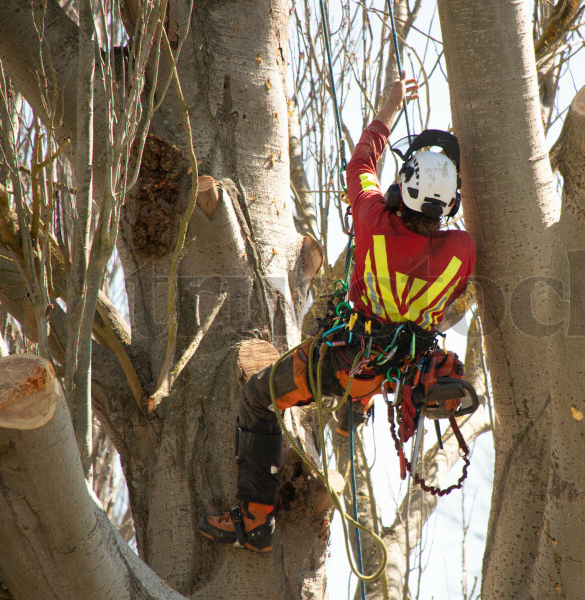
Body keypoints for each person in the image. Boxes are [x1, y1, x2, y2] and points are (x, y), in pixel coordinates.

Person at [197, 71, 476, 552]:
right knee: (379, 355)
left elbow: (362, 164)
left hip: (345, 360)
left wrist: (388, 110)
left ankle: (256, 520)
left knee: (257, 397)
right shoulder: (463, 248)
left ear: (403, 189)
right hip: (399, 370)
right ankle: (355, 410)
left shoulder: (372, 219)